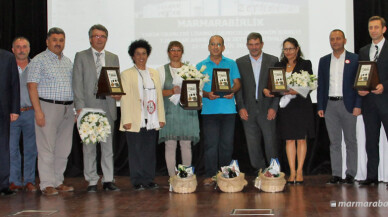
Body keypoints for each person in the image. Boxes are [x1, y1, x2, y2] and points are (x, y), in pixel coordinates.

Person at [27, 27, 75, 196]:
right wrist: (38, 111)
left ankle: (58, 181)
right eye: (54, 40)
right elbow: (32, 86)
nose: (58, 43)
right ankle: (47, 184)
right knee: (47, 148)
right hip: (48, 107)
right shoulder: (39, 60)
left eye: (61, 40)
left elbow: (73, 87)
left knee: (63, 148)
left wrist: (74, 109)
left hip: (68, 108)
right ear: (47, 42)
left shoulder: (68, 61)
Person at [73, 24, 120, 192]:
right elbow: (77, 83)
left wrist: (117, 94)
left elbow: (116, 83)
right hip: (89, 108)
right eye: (96, 36)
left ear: (106, 39)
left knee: (107, 147)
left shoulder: (113, 57)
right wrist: (79, 108)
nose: (99, 39)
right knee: (90, 147)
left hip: (107, 106)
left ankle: (108, 179)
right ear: (90, 38)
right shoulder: (81, 56)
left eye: (102, 36)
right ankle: (92, 180)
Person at [120, 39, 165, 190]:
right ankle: (137, 180)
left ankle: (149, 179)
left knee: (149, 151)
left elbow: (159, 96)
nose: (141, 56)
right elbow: (124, 99)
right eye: (138, 54)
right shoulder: (126, 74)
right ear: (133, 56)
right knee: (136, 151)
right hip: (134, 119)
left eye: (144, 53)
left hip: (151, 118)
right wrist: (126, 119)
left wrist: (161, 117)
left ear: (148, 55)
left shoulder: (154, 73)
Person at [317, 30, 361, 184]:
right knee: (334, 142)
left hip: (348, 105)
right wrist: (320, 106)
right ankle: (336, 174)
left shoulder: (354, 59)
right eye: (332, 39)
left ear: (345, 40)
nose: (335, 41)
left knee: (350, 141)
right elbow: (321, 85)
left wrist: (358, 105)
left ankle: (350, 174)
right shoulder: (324, 60)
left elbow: (358, 84)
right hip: (330, 105)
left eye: (338, 38)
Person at [196, 35, 241, 185]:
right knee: (211, 145)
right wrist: (207, 94)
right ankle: (210, 175)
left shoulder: (231, 63)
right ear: (209, 47)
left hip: (229, 110)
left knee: (227, 145)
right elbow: (195, 89)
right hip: (209, 112)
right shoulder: (200, 66)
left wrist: (232, 91)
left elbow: (237, 83)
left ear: (223, 47)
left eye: (219, 44)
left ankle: (226, 174)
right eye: (213, 44)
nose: (215, 47)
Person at [270, 37, 315, 184]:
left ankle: (300, 171)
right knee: (289, 139)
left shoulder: (305, 64)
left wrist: (296, 91)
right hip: (286, 108)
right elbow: (275, 86)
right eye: (285, 49)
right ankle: (292, 171)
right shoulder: (278, 65)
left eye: (291, 48)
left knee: (301, 139)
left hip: (301, 106)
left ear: (297, 49)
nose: (288, 51)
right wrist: (273, 90)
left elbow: (309, 84)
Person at [235, 32, 279, 172]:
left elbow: (277, 86)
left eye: (257, 44)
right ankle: (260, 171)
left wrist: (274, 107)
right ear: (247, 45)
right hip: (248, 109)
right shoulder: (240, 62)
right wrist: (240, 106)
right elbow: (238, 87)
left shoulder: (273, 60)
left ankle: (273, 172)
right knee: (252, 145)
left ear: (262, 44)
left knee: (270, 143)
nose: (254, 47)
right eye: (251, 44)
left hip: (267, 108)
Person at [157, 41, 200, 177]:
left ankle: (185, 176)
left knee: (186, 145)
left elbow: (197, 90)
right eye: (172, 50)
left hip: (187, 113)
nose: (175, 53)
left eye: (178, 50)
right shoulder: (161, 70)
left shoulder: (191, 70)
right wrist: (171, 91)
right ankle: (172, 178)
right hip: (169, 113)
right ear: (168, 52)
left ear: (182, 52)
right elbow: (157, 93)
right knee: (170, 146)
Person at [358, 16, 388, 186]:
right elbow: (360, 76)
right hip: (369, 103)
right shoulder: (363, 51)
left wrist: (385, 85)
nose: (373, 30)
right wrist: (360, 90)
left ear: (384, 29)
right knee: (371, 141)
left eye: (376, 27)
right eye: (370, 27)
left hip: (386, 101)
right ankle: (372, 177)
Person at [9, 37, 38, 192]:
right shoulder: (7, 66)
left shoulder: (36, 66)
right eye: (18, 47)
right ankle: (14, 181)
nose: (21, 50)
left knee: (31, 149)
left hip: (31, 112)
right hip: (11, 114)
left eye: (24, 46)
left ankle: (29, 181)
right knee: (11, 148)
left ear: (29, 49)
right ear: (13, 50)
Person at [0, 49, 20, 196]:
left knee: (3, 148)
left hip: (3, 110)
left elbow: (14, 84)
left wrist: (14, 109)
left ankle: (3, 184)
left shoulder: (7, 57)